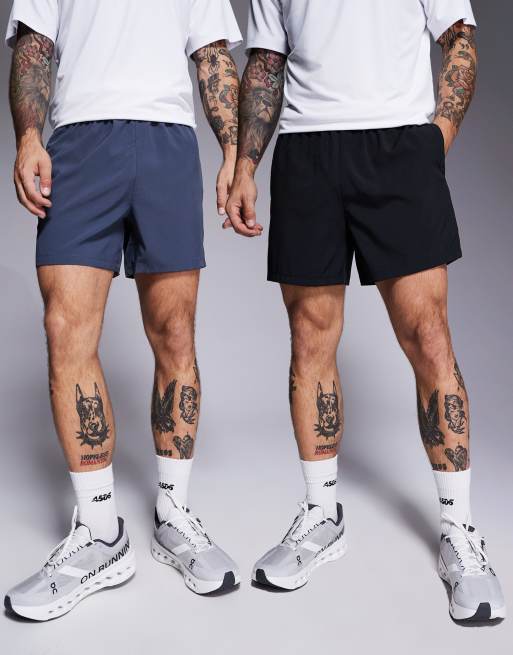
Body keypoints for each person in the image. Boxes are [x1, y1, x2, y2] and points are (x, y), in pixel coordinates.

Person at [226, 0, 506, 622]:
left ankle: (460, 532)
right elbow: (266, 62)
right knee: (310, 338)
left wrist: (438, 135)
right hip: (306, 151)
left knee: (428, 338)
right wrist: (245, 163)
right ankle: (321, 514)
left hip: (397, 142)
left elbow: (459, 39)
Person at [5, 0, 242, 620]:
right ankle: (101, 531)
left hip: (168, 141)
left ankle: (173, 511)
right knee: (65, 328)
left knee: (175, 333)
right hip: (80, 141)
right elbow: (34, 44)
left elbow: (213, 56)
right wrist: (28, 136)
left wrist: (233, 152)